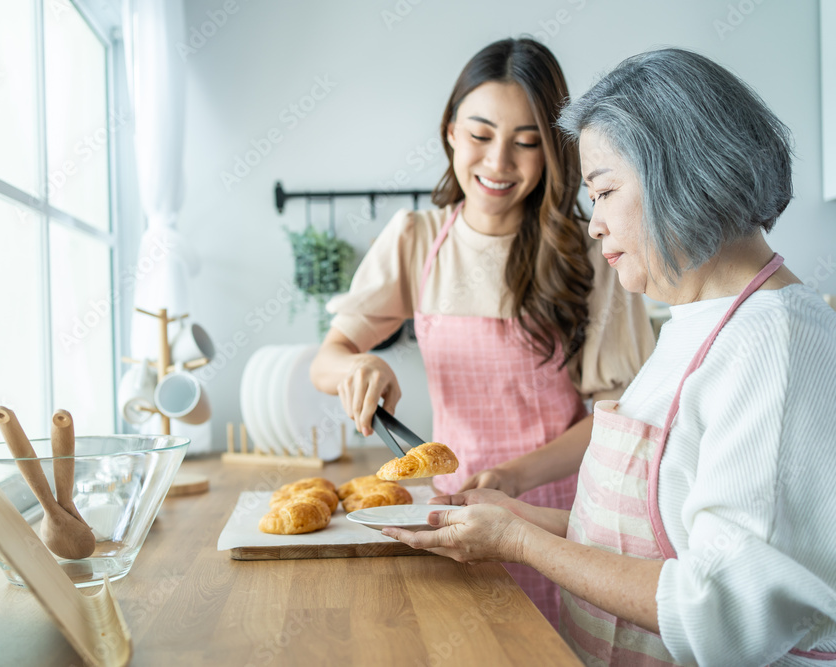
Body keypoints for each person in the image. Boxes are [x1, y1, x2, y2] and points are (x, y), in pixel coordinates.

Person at [383, 48, 836, 666]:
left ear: (680, 174)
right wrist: (511, 518)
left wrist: (519, 540)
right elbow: (652, 545)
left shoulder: (776, 343)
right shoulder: (698, 321)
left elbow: (723, 613)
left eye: (604, 191)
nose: (593, 225)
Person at [309, 38, 654, 628]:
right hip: (452, 521)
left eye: (526, 143)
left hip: (561, 523)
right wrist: (358, 368)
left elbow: (616, 416)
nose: (497, 164)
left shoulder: (591, 253)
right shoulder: (416, 238)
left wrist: (517, 477)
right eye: (480, 135)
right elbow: (328, 358)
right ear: (449, 130)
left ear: (552, 153)